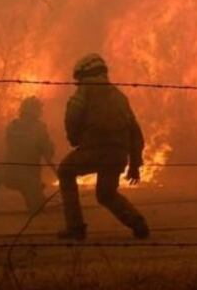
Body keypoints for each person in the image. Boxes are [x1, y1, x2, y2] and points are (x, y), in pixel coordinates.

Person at [56, 53, 149, 240]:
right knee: (106, 194)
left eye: (78, 79)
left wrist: (74, 138)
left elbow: (73, 115)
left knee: (65, 171)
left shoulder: (86, 89)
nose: (78, 83)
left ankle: (75, 229)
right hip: (118, 154)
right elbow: (135, 132)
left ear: (84, 74)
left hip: (94, 149)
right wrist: (134, 164)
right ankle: (137, 223)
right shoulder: (120, 96)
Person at [0, 96, 54, 214]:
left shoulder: (12, 126)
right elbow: (48, 153)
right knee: (38, 210)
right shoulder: (39, 128)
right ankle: (37, 196)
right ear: (37, 112)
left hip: (8, 175)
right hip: (29, 181)